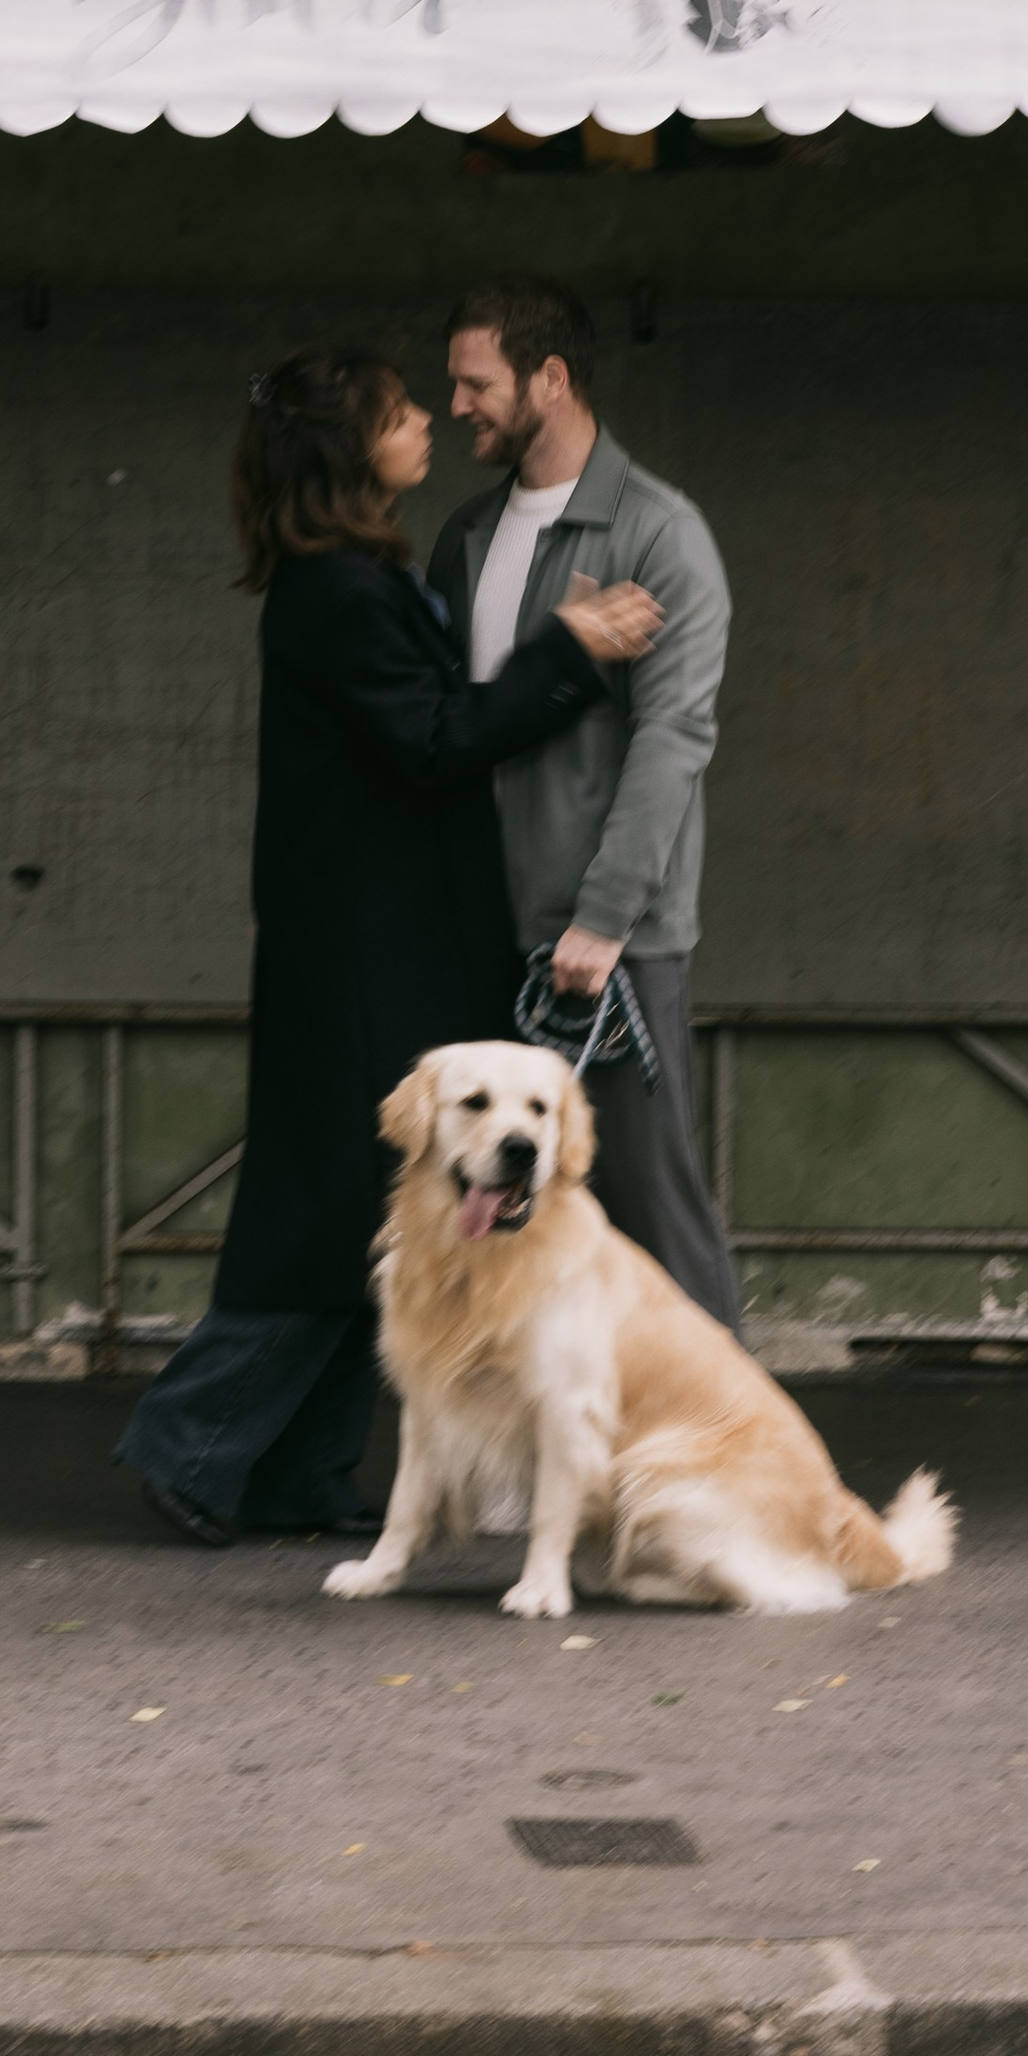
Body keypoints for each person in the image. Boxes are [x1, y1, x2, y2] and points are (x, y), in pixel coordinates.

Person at [116, 345, 663, 1546]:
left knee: (373, 1204)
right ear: (347, 450)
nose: (426, 420)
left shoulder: (348, 582)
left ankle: (297, 1476)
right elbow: (432, 740)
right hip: (365, 954)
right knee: (329, 1208)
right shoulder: (336, 594)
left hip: (374, 944)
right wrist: (566, 652)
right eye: (400, 410)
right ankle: (195, 1445)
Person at [428, 274, 743, 1334]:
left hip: (600, 944)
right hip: (481, 925)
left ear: (549, 380)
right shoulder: (467, 535)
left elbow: (674, 735)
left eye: (476, 384)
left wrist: (605, 917)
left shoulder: (659, 533)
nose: (457, 406)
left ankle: (733, 1457)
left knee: (651, 1215)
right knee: (497, 1220)